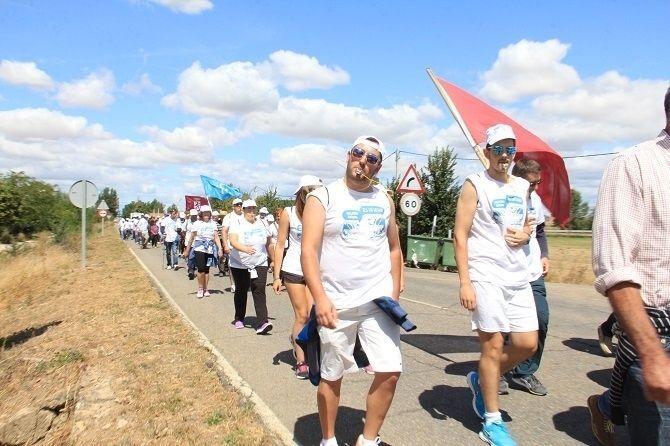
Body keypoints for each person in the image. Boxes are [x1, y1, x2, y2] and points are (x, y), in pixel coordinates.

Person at [301, 135, 402, 446]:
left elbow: (395, 248)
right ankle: (328, 439)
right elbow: (308, 251)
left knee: (390, 370)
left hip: (377, 302)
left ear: (378, 166)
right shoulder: (323, 197)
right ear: (349, 155)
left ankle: (367, 440)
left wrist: (395, 293)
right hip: (336, 303)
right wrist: (320, 298)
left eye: (372, 158)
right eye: (359, 153)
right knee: (332, 375)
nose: (363, 161)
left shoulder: (384, 199)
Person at [587, 86, 670, 446]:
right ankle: (609, 404)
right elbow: (615, 267)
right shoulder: (635, 165)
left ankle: (608, 404)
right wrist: (652, 355)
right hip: (659, 335)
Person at [454, 123, 537, 446]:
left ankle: (483, 378)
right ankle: (492, 421)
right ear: (487, 151)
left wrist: (526, 234)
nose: (505, 155)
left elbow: (528, 222)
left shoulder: (522, 186)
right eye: (499, 149)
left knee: (527, 344)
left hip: (517, 275)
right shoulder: (475, 184)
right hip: (485, 274)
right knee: (493, 346)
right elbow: (460, 234)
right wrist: (465, 281)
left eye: (510, 149)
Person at [501, 158, 550, 396]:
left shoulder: (536, 200)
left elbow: (540, 231)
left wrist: (545, 255)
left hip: (532, 272)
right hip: (507, 271)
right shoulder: (503, 198)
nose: (536, 188)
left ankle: (524, 372)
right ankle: (498, 370)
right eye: (532, 183)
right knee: (503, 325)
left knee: (541, 319)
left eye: (538, 183)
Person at [272, 174, 323, 379]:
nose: (313, 195)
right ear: (301, 193)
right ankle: (301, 361)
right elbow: (279, 244)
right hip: (293, 268)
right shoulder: (289, 213)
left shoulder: (324, 211)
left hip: (315, 269)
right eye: (309, 191)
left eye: (317, 191)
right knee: (301, 315)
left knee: (313, 315)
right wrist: (276, 276)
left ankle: (304, 346)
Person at [228, 199, 274, 334]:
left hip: (260, 261)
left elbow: (269, 242)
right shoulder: (237, 223)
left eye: (253, 208)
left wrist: (273, 259)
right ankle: (239, 318)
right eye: (248, 209)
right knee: (241, 290)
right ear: (243, 210)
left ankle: (262, 322)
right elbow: (233, 241)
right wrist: (245, 249)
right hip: (239, 263)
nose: (251, 211)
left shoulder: (262, 223)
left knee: (259, 289)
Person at [183, 205, 222, 298]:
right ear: (201, 214)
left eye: (208, 213)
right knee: (201, 269)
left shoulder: (213, 224)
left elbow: (216, 237)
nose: (206, 214)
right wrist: (187, 250)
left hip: (210, 249)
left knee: (207, 270)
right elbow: (192, 238)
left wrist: (220, 249)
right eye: (204, 213)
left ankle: (205, 288)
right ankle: (200, 288)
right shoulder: (197, 223)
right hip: (199, 248)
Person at [222, 198, 245, 292]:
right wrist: (225, 245)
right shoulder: (228, 217)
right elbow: (224, 231)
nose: (239, 206)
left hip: (244, 246)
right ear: (233, 206)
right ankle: (233, 284)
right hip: (232, 246)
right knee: (232, 265)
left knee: (245, 265)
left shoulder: (245, 215)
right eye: (237, 205)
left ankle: (243, 283)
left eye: (240, 204)